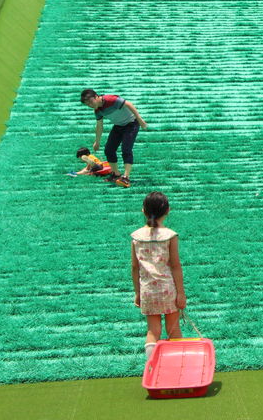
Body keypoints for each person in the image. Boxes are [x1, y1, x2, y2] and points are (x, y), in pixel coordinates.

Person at [131, 192, 186, 360]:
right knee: (173, 329)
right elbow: (175, 266)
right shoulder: (170, 235)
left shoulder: (136, 236)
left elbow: (135, 267)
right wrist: (181, 293)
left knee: (153, 331)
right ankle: (177, 367)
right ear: (167, 211)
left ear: (143, 211)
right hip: (167, 289)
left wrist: (138, 292)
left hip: (148, 290)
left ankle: (152, 366)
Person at [80, 88, 147, 183]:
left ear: (96, 96)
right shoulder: (97, 111)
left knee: (126, 149)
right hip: (118, 126)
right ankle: (116, 174)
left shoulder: (111, 99)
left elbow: (129, 104)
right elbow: (99, 126)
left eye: (91, 102)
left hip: (131, 124)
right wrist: (97, 141)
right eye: (88, 105)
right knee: (109, 150)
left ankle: (126, 177)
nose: (90, 105)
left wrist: (140, 120)